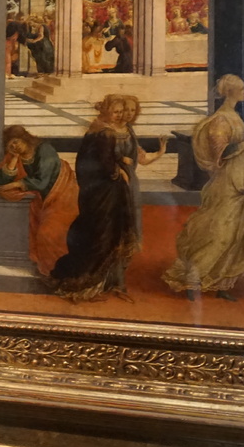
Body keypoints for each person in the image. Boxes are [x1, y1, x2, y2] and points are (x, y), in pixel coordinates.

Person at [50, 94, 165, 301]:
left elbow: (136, 158)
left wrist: (156, 153)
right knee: (103, 235)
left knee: (122, 235)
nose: (122, 115)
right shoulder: (101, 133)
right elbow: (93, 162)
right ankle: (90, 285)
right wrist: (117, 170)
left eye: (125, 111)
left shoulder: (126, 130)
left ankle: (115, 282)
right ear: (106, 112)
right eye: (117, 111)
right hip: (104, 191)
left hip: (125, 189)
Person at [162, 75, 244, 300]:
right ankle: (193, 280)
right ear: (230, 92)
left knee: (235, 233)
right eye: (241, 89)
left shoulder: (233, 115)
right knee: (220, 231)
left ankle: (221, 282)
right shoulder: (220, 120)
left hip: (241, 185)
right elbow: (221, 152)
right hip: (228, 183)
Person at [0, 126, 79, 277]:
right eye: (11, 144)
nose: (15, 146)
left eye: (16, 141)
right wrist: (14, 158)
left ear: (25, 138)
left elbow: (42, 182)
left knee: (49, 232)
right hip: (44, 198)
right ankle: (51, 271)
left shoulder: (44, 150)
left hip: (63, 193)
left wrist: (16, 183)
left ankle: (58, 272)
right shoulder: (17, 156)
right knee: (42, 230)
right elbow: (1, 181)